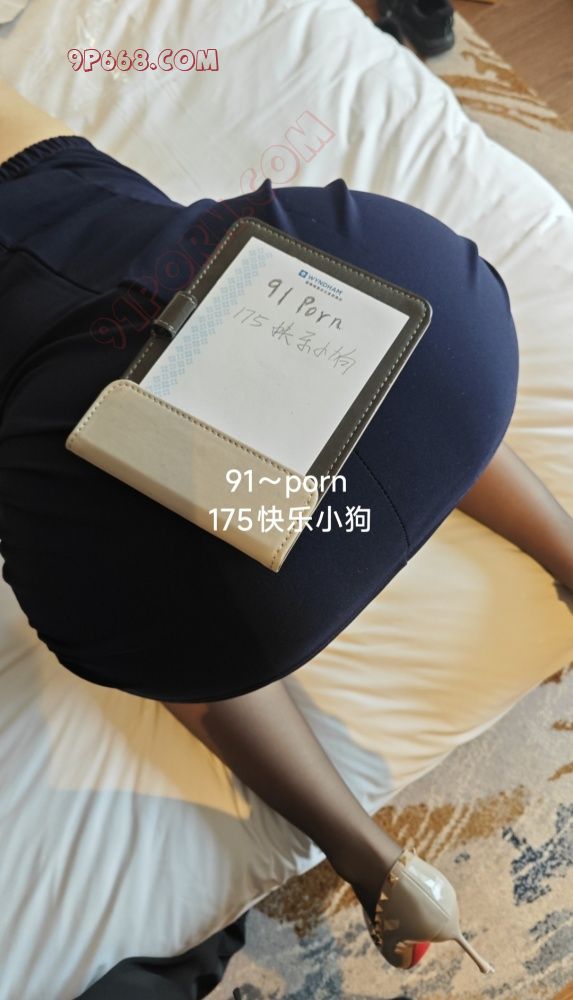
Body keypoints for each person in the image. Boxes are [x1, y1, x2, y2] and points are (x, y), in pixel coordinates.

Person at [1, 78, 572, 976]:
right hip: (420, 334)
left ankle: (374, 860)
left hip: (139, 485)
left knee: (162, 563)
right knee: (351, 347)